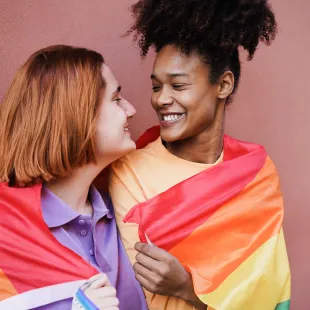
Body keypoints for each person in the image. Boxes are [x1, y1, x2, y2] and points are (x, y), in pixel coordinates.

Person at [109, 0, 291, 309]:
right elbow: (144, 292)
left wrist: (188, 289)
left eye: (178, 85)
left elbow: (269, 290)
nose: (161, 99)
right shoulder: (130, 171)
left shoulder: (256, 173)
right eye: (156, 87)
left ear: (223, 84)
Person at [0, 45, 147, 310]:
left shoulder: (125, 209)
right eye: (116, 99)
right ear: (78, 114)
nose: (131, 110)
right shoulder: (6, 233)